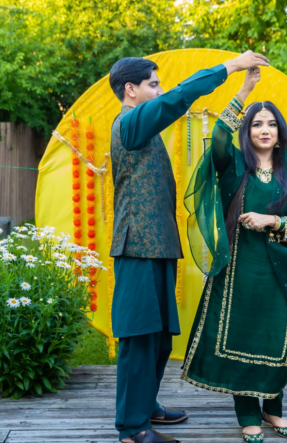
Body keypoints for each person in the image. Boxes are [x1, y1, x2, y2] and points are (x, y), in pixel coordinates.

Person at [109, 51, 270, 443]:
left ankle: (145, 406)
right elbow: (179, 97)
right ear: (130, 89)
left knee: (160, 336)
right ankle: (132, 427)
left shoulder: (142, 127)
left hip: (159, 246)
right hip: (137, 248)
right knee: (139, 337)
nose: (159, 91)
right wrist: (230, 67)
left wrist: (245, 89)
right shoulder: (130, 123)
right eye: (153, 84)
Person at [181, 68, 287, 442]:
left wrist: (273, 220)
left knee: (277, 341)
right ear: (248, 131)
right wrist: (244, 90)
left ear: (280, 132)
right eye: (257, 124)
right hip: (239, 270)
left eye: (271, 124)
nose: (265, 130)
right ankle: (247, 413)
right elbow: (219, 136)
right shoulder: (235, 164)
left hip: (280, 270)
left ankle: (273, 410)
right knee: (241, 340)